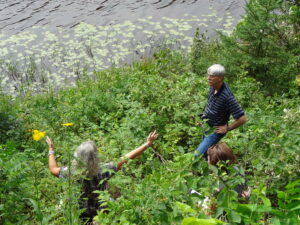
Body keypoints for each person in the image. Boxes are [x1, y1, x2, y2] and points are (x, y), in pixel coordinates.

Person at [45, 131, 158, 223]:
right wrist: (147, 144)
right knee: (114, 201)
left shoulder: (70, 172)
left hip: (79, 213)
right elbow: (128, 157)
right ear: (95, 157)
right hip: (100, 212)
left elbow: (53, 169)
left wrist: (51, 150)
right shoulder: (104, 170)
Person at [195, 64, 247, 158]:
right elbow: (212, 104)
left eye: (212, 76)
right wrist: (205, 116)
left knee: (197, 155)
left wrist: (227, 128)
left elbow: (242, 119)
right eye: (208, 75)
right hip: (207, 127)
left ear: (220, 78)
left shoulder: (227, 96)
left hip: (215, 131)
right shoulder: (212, 87)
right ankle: (211, 170)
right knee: (207, 154)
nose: (208, 78)